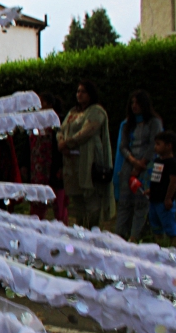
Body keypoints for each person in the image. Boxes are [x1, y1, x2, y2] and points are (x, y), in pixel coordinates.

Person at [58, 80, 114, 229]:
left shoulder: (96, 111)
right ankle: (80, 226)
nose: (79, 94)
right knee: (77, 199)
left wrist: (68, 142)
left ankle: (91, 228)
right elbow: (61, 129)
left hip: (88, 160)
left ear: (90, 94)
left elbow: (87, 131)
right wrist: (61, 142)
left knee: (91, 198)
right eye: (78, 91)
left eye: (83, 91)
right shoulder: (73, 112)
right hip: (71, 161)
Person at [115, 90, 163, 241]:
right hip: (130, 162)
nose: (134, 106)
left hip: (147, 165)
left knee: (140, 202)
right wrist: (133, 161)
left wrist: (141, 163)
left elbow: (153, 144)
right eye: (132, 103)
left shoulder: (154, 122)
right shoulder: (127, 124)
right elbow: (123, 146)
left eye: (137, 103)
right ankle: (119, 235)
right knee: (124, 201)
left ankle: (135, 236)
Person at [29, 93, 68, 223]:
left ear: (50, 105)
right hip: (38, 169)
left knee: (58, 201)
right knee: (38, 200)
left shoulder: (58, 122)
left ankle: (62, 227)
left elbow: (61, 146)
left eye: (42, 103)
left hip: (53, 167)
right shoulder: (35, 122)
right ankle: (36, 223)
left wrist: (62, 166)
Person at [147, 130, 176, 247]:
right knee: (156, 225)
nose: (156, 147)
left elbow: (173, 182)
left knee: (169, 225)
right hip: (154, 199)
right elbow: (156, 179)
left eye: (158, 144)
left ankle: (174, 248)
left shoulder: (172, 163)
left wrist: (168, 198)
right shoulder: (157, 161)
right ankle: (158, 246)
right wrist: (151, 190)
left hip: (164, 201)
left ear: (169, 146)